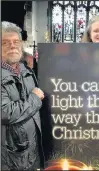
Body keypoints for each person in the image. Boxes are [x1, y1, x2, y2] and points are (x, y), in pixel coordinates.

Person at [1, 21, 45, 170]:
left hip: (32, 151)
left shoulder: (26, 69)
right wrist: (34, 98)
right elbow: (5, 112)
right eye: (5, 43)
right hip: (11, 156)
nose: (12, 46)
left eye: (16, 42)